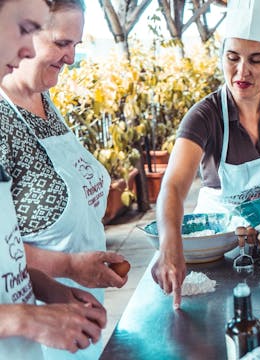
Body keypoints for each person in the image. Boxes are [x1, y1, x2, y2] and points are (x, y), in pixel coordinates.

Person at [151, 0, 260, 310]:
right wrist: (170, 243)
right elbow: (174, 186)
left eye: (256, 60)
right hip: (223, 245)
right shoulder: (204, 116)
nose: (241, 71)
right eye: (232, 58)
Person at [0, 0, 127, 358]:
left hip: (59, 319)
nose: (71, 58)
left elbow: (3, 250)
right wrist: (25, 317)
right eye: (60, 43)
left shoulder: (46, 100)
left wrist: (48, 288)